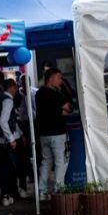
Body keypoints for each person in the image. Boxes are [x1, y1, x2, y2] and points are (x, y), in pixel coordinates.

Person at [0, 78, 24, 207]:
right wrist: (12, 138)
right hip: (4, 140)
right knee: (9, 168)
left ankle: (6, 194)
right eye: (16, 87)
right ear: (12, 87)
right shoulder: (8, 101)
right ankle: (7, 194)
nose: (17, 90)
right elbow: (4, 121)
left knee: (3, 168)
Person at [36, 68, 72, 200]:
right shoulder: (56, 95)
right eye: (58, 78)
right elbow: (69, 107)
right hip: (57, 133)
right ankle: (59, 190)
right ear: (50, 78)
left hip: (43, 134)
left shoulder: (39, 94)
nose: (61, 81)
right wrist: (62, 111)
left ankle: (42, 191)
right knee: (59, 161)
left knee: (46, 162)